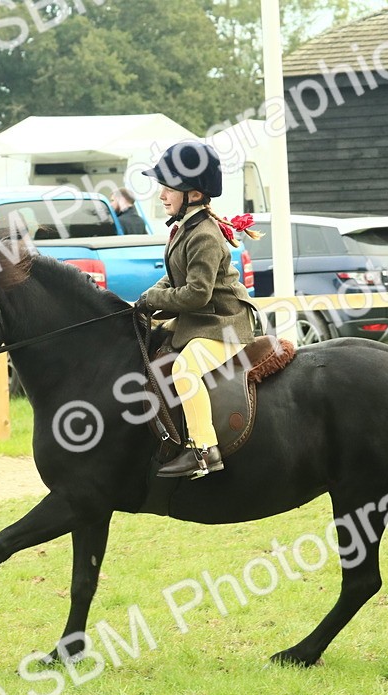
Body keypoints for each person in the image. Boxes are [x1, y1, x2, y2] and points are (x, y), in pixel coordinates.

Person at [135, 142, 262, 480]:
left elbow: (197, 294)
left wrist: (153, 301)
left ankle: (204, 451)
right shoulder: (187, 227)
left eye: (168, 187)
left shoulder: (203, 233)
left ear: (191, 193)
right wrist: (149, 295)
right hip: (204, 322)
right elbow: (177, 276)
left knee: (185, 369)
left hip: (226, 325)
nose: (162, 195)